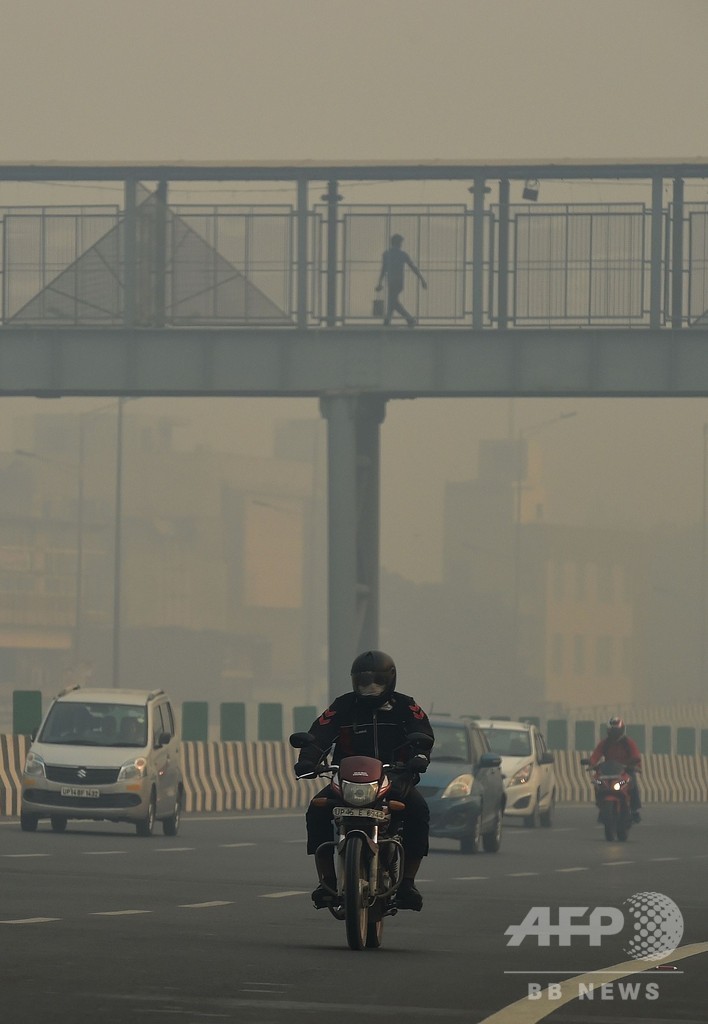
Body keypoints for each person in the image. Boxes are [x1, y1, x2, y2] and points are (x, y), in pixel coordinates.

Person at [294, 649, 435, 911]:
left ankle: (408, 883)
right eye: (364, 682)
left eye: (377, 681)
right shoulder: (342, 706)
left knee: (419, 811)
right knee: (316, 810)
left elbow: (422, 732)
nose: (370, 688)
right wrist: (307, 760)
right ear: (354, 681)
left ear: (390, 680)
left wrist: (420, 756)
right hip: (347, 779)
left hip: (394, 778)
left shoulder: (406, 706)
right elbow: (320, 734)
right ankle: (326, 880)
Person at [589, 716, 642, 823]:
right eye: (612, 730)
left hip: (625, 770)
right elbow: (596, 755)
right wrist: (591, 763)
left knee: (633, 783)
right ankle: (601, 805)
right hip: (609, 771)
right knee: (597, 781)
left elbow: (636, 755)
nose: (614, 733)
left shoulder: (628, 742)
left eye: (616, 730)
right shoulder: (605, 743)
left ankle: (634, 810)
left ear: (621, 730)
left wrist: (633, 764)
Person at [375, 233, 427, 327]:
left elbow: (383, 269)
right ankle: (403, 319)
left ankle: (391, 319)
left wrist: (380, 282)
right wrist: (422, 279)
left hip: (391, 281)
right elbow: (413, 267)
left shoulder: (386, 254)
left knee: (392, 301)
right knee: (393, 301)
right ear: (399, 243)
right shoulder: (403, 254)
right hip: (399, 282)